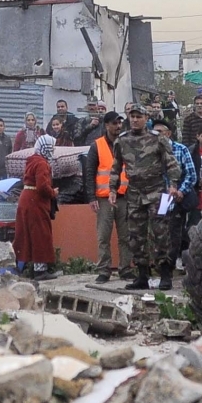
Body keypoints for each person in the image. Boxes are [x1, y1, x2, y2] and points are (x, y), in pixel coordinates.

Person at [110, 105, 183, 290]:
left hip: (157, 191)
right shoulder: (122, 141)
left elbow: (171, 164)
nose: (135, 119)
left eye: (139, 116)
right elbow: (116, 167)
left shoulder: (158, 139)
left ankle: (165, 274)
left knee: (161, 232)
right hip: (134, 192)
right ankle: (142, 275)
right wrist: (112, 189)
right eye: (132, 116)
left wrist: (173, 185)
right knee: (135, 235)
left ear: (146, 117)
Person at [83, 112, 127, 283]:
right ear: (107, 125)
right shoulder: (97, 146)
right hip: (103, 198)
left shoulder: (126, 143)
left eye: (120, 123)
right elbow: (89, 172)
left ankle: (125, 269)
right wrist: (91, 197)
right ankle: (104, 270)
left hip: (124, 196)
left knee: (126, 236)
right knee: (103, 236)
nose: (118, 126)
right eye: (115, 123)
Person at [153, 118, 197, 278]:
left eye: (159, 132)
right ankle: (157, 266)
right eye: (154, 131)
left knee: (175, 234)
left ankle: (170, 268)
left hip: (176, 199)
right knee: (157, 232)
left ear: (168, 133)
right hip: (157, 199)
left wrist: (181, 191)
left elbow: (191, 175)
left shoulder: (180, 149)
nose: (156, 135)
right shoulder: (150, 152)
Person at [14, 135, 59, 280]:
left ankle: (27, 267)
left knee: (28, 234)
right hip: (35, 201)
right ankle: (40, 271)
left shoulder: (32, 160)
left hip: (27, 198)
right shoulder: (42, 163)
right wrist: (53, 192)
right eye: (51, 147)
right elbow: (42, 186)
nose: (53, 149)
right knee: (40, 234)